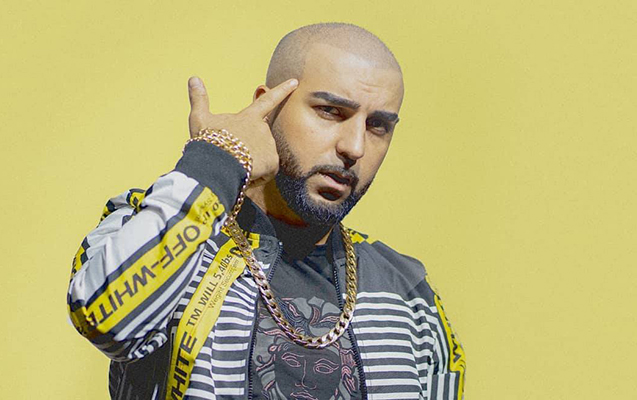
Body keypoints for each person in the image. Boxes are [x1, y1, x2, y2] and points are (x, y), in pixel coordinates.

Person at [66, 22, 466, 400]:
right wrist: (215, 160)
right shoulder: (159, 227)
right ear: (267, 107)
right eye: (330, 111)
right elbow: (106, 320)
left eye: (378, 125)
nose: (354, 147)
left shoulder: (406, 290)